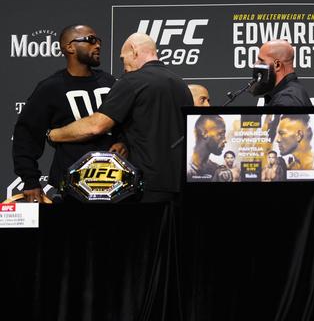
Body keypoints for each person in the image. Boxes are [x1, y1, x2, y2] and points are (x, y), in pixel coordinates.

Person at [48, 33, 194, 202]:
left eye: (123, 58)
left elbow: (96, 126)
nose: (124, 67)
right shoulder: (181, 84)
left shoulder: (133, 80)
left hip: (144, 186)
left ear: (134, 51)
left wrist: (53, 134)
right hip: (179, 184)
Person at [12, 24, 125, 203]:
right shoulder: (50, 88)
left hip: (117, 184)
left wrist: (123, 142)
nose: (98, 45)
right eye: (90, 40)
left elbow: (128, 122)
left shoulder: (110, 82)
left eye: (98, 41)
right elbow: (26, 136)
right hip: (72, 188)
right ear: (69, 47)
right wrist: (30, 180)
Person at [253, 39, 311, 107]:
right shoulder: (287, 94)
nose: (255, 64)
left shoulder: (287, 99)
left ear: (277, 65)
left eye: (261, 60)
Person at [187, 115, 232, 182]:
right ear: (205, 133)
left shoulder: (216, 169)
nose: (225, 140)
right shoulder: (185, 167)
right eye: (221, 134)